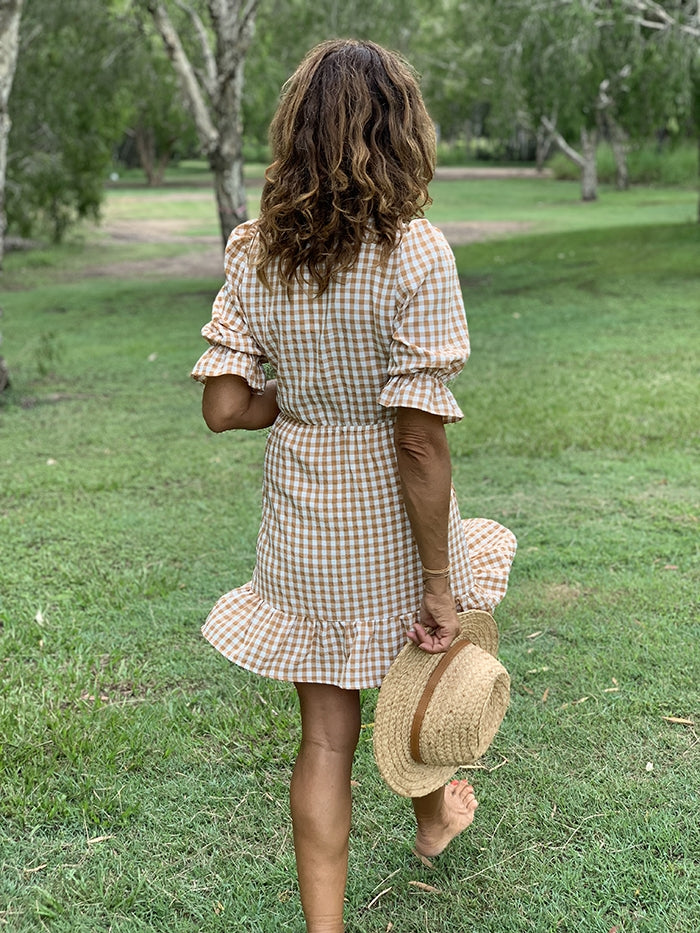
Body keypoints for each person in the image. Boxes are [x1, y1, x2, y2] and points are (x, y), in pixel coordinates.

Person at [192, 38, 516, 933]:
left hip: (303, 519)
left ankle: (331, 922)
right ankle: (434, 815)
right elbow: (418, 443)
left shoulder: (257, 251)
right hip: (388, 514)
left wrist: (292, 396)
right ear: (401, 132)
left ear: (294, 133)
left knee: (326, 736)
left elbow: (223, 407)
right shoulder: (415, 255)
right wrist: (442, 582)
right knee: (423, 661)